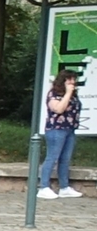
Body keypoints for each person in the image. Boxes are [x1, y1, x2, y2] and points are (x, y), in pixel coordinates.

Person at [41, 66, 81, 199]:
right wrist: (68, 93)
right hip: (56, 129)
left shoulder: (74, 95)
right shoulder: (54, 94)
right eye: (69, 80)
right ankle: (44, 187)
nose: (72, 83)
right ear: (62, 81)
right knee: (52, 157)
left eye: (74, 80)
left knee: (65, 159)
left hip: (69, 129)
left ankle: (64, 187)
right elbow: (58, 109)